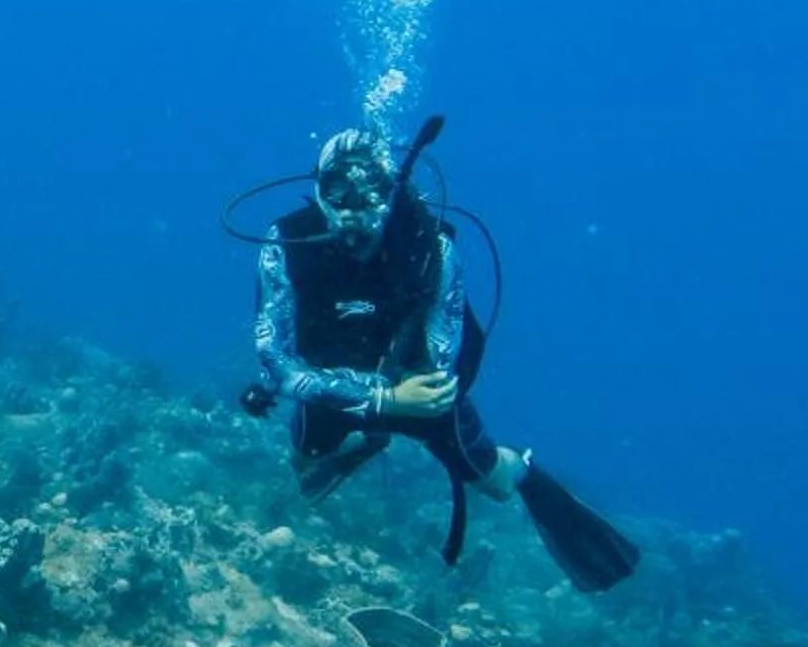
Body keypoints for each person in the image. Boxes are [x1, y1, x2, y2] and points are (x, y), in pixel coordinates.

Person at [252, 126, 638, 591]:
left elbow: (440, 357)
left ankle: (525, 468)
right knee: (304, 464)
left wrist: (398, 397)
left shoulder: (432, 246)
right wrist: (384, 400)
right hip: (362, 389)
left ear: (391, 188)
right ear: (319, 187)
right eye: (338, 186)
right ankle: (367, 439)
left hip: (423, 391)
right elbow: (275, 361)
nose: (353, 205)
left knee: (494, 485)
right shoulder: (283, 245)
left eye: (369, 187)